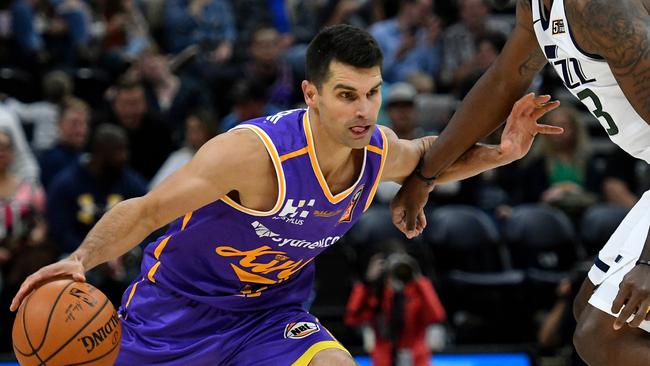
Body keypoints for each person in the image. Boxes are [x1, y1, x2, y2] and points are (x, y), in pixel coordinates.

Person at [10, 24, 560, 365]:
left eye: (372, 93)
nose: (364, 110)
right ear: (311, 95)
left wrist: (502, 152)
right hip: (175, 314)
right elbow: (147, 211)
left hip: (269, 318)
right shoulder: (252, 154)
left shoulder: (376, 150)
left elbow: (428, 154)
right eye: (346, 95)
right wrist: (80, 258)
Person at [390, 1, 650, 365]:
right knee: (587, 307)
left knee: (605, 338)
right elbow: (503, 81)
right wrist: (425, 176)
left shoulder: (600, 8)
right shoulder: (536, 7)